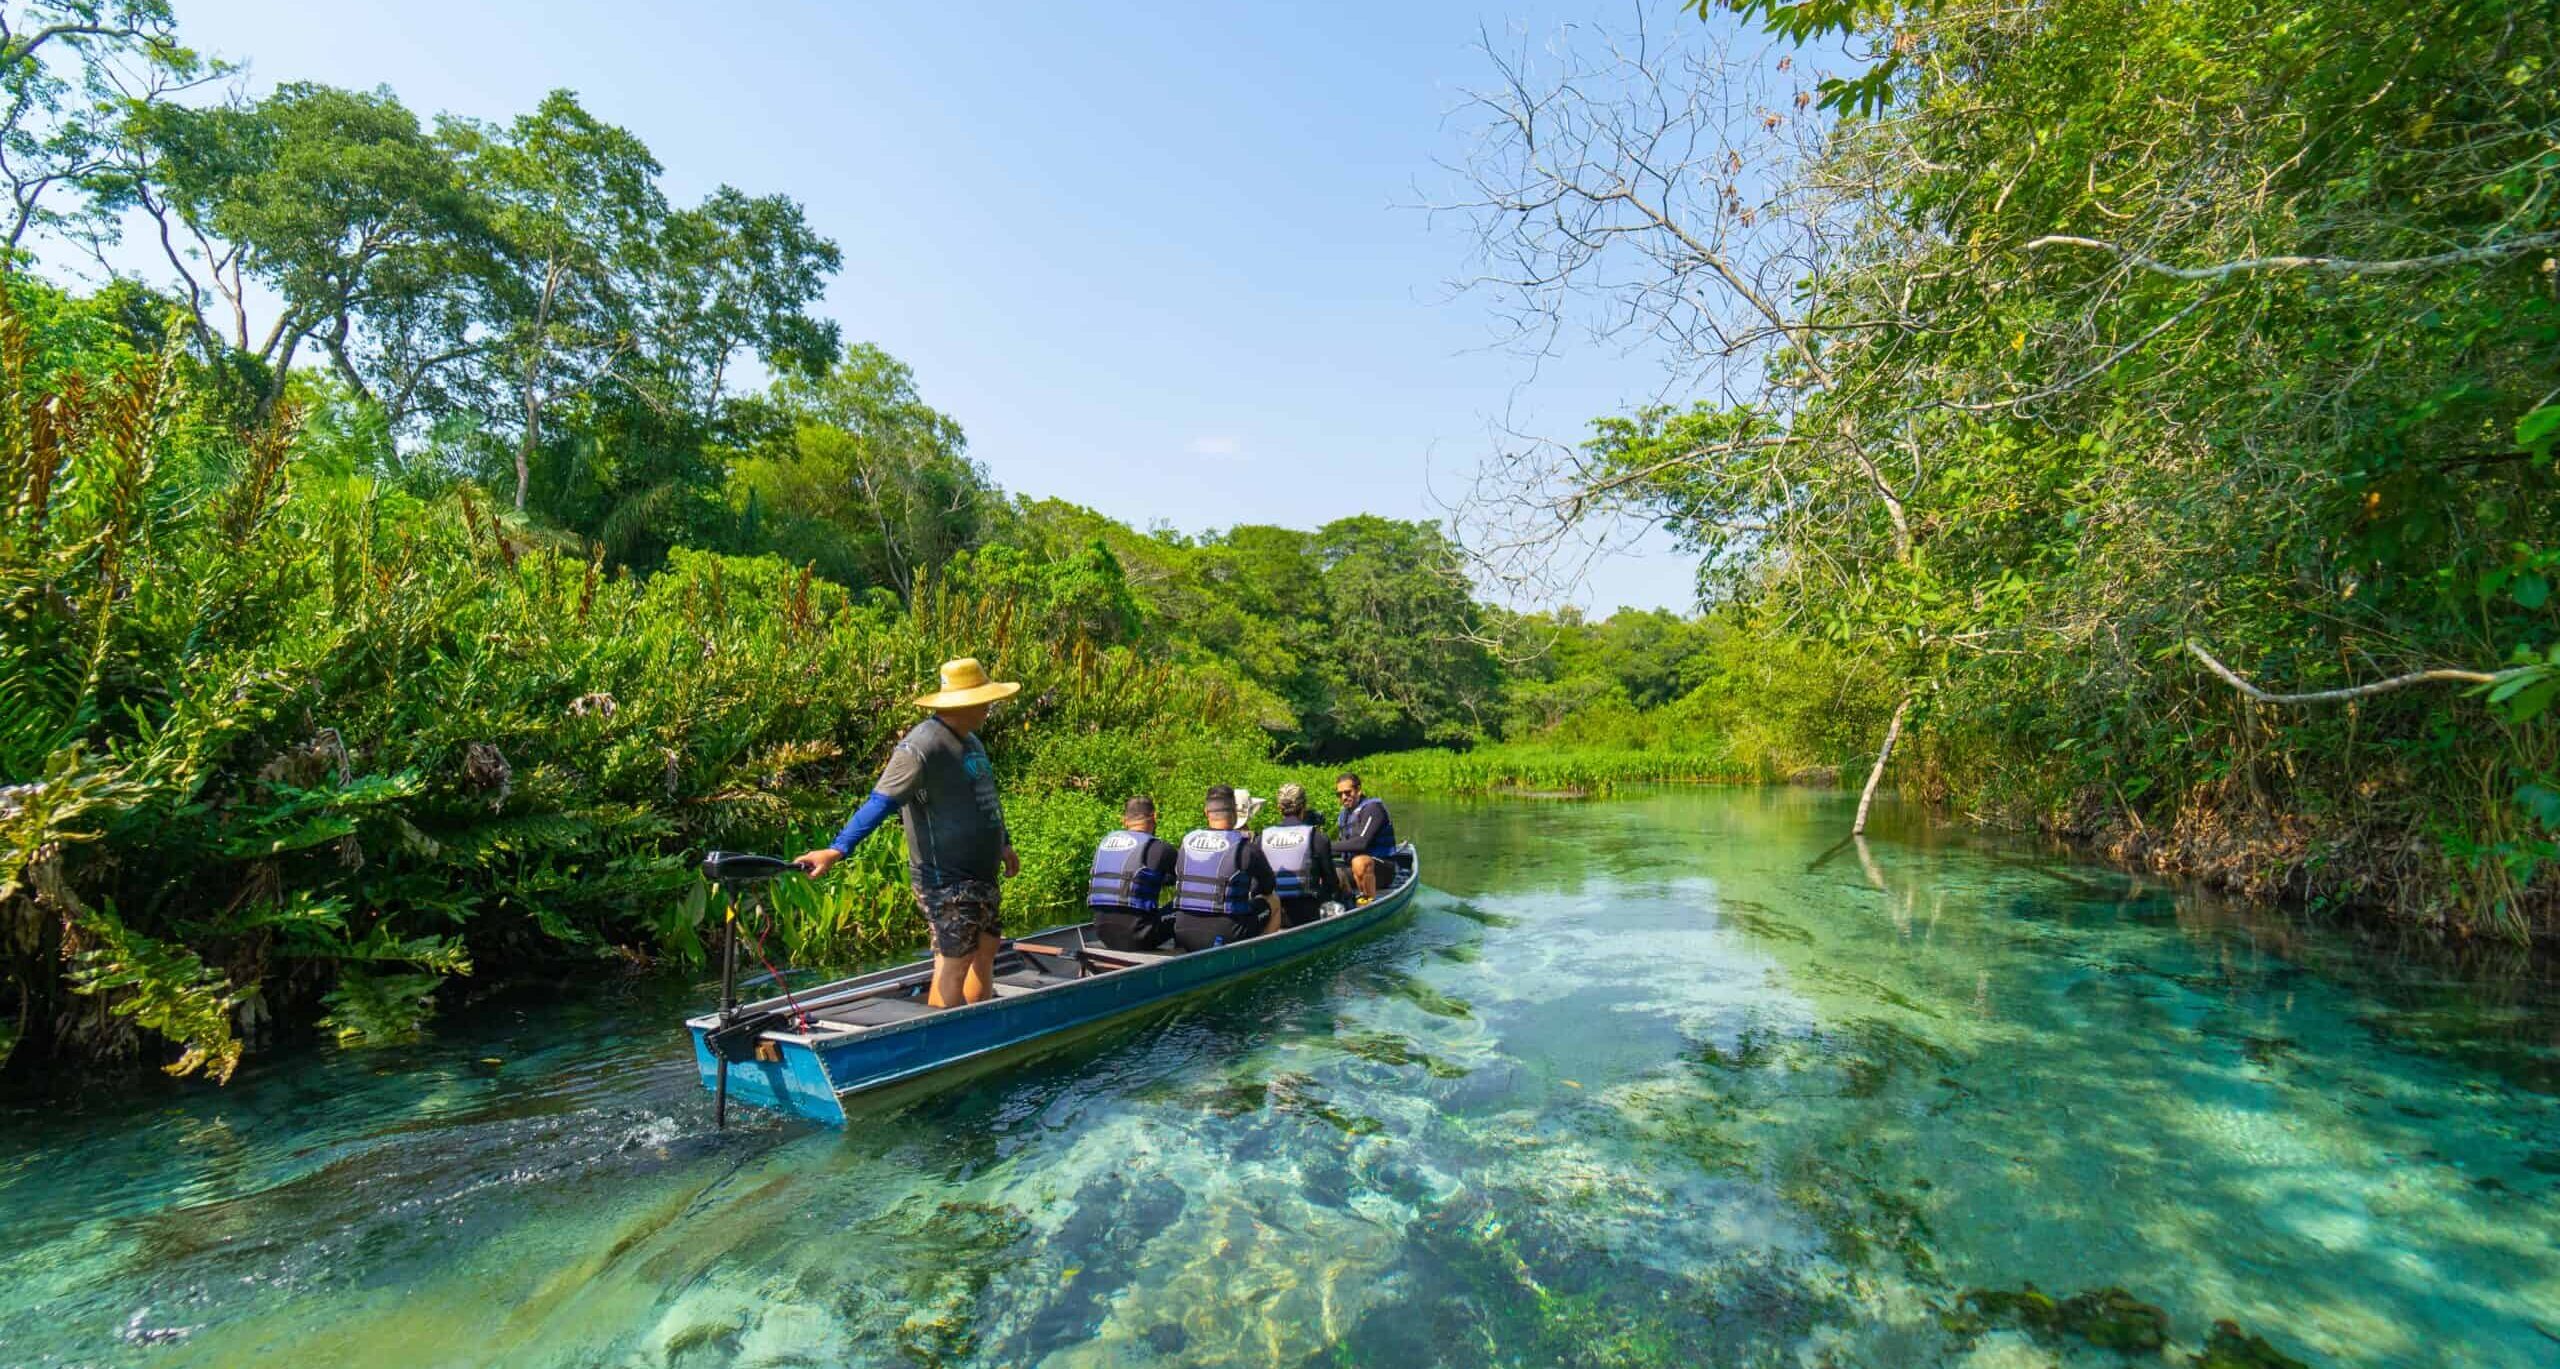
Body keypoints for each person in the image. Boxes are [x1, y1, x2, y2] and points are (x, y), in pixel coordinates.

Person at [794, 658, 1022, 1008]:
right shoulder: (920, 748)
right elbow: (880, 801)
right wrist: (837, 850)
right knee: (954, 959)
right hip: (946, 879)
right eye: (984, 701)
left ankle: (981, 1020)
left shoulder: (972, 742)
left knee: (986, 947)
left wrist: (1004, 844)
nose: (989, 708)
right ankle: (944, 1039)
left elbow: (985, 797)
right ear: (965, 704)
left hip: (982, 873)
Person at [1170, 785, 1286, 951]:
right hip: (1226, 934)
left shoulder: (1186, 841)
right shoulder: (1245, 847)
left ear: (1206, 812)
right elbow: (1268, 887)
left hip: (1182, 932)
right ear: (1234, 812)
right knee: (1273, 901)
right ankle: (1260, 954)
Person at [1087, 794, 1177, 951]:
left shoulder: (1104, 844)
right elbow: (1188, 878)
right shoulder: (1160, 848)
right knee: (1185, 905)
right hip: (1140, 937)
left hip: (1102, 932)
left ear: (1124, 820)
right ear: (1154, 817)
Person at [1260, 782, 1338, 927]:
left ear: (1279, 808)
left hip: (1274, 914)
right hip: (1308, 914)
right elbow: (1331, 883)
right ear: (1304, 807)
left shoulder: (1262, 838)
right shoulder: (1318, 838)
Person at [1333, 772, 1398, 902]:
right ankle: (1345, 901)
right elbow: (1343, 847)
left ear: (1358, 790)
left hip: (1381, 867)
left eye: (1347, 792)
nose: (1344, 797)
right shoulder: (1344, 815)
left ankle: (1367, 902)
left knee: (1360, 862)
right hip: (1352, 867)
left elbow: (1361, 843)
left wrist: (1324, 845)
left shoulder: (1373, 809)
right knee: (1322, 868)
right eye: (1339, 794)